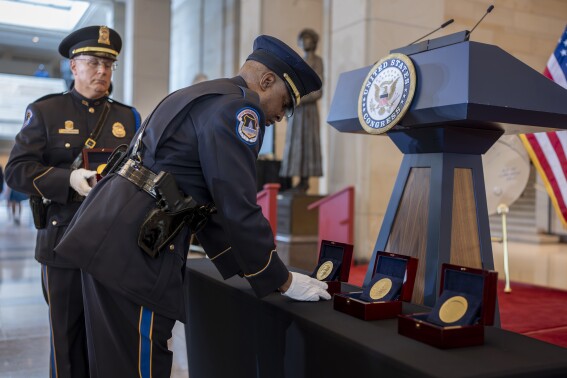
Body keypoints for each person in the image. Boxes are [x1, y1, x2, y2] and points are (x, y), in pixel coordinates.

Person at [54, 34, 330, 377]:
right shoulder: (240, 109)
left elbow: (205, 203)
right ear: (267, 80)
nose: (282, 114)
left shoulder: (199, 94)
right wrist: (283, 279)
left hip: (108, 238)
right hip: (138, 254)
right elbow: (236, 204)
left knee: (111, 364)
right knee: (138, 367)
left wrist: (257, 270)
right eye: (286, 102)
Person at [5, 25, 140, 378]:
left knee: (111, 336)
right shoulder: (46, 111)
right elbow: (17, 170)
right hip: (61, 241)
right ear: (73, 66)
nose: (102, 72)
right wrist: (67, 179)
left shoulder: (128, 118)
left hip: (112, 246)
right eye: (94, 63)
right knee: (66, 338)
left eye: (108, 65)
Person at [280, 28, 324, 192]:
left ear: (313, 42)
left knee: (307, 143)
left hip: (308, 112)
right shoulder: (299, 63)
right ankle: (297, 180)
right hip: (297, 111)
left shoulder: (317, 61)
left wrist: (297, 99)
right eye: (303, 39)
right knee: (294, 144)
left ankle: (304, 181)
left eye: (308, 39)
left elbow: (318, 92)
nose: (305, 42)